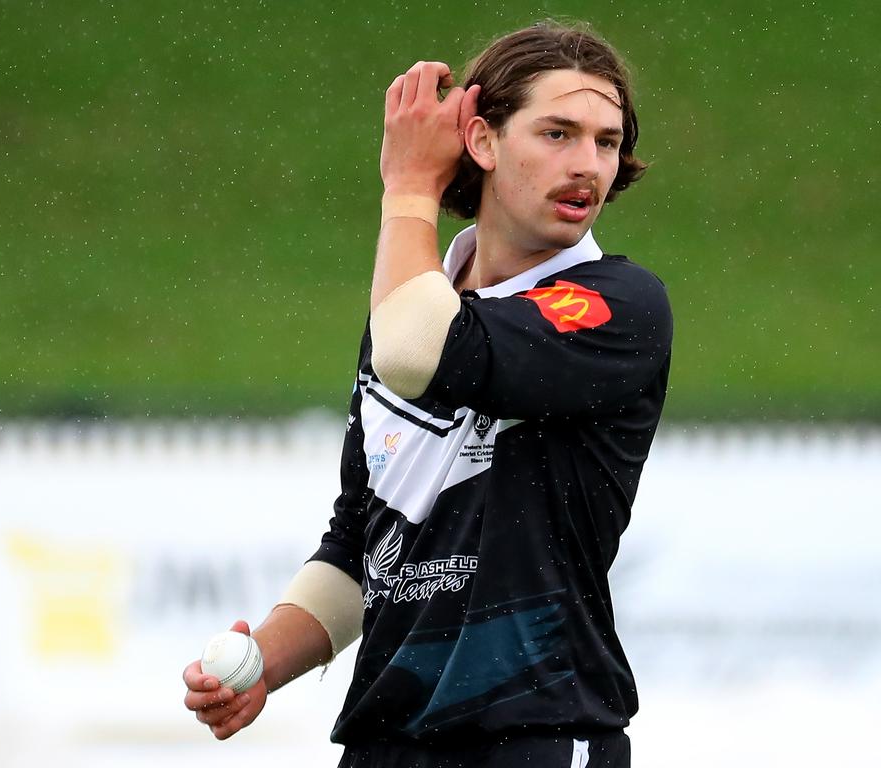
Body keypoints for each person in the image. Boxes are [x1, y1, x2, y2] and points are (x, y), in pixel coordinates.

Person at [184, 19, 671, 768]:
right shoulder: (409, 310)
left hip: (533, 736)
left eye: (605, 141)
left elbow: (422, 353)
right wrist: (266, 666)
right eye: (557, 133)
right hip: (387, 742)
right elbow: (361, 543)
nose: (588, 166)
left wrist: (410, 183)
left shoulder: (616, 303)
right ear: (482, 141)